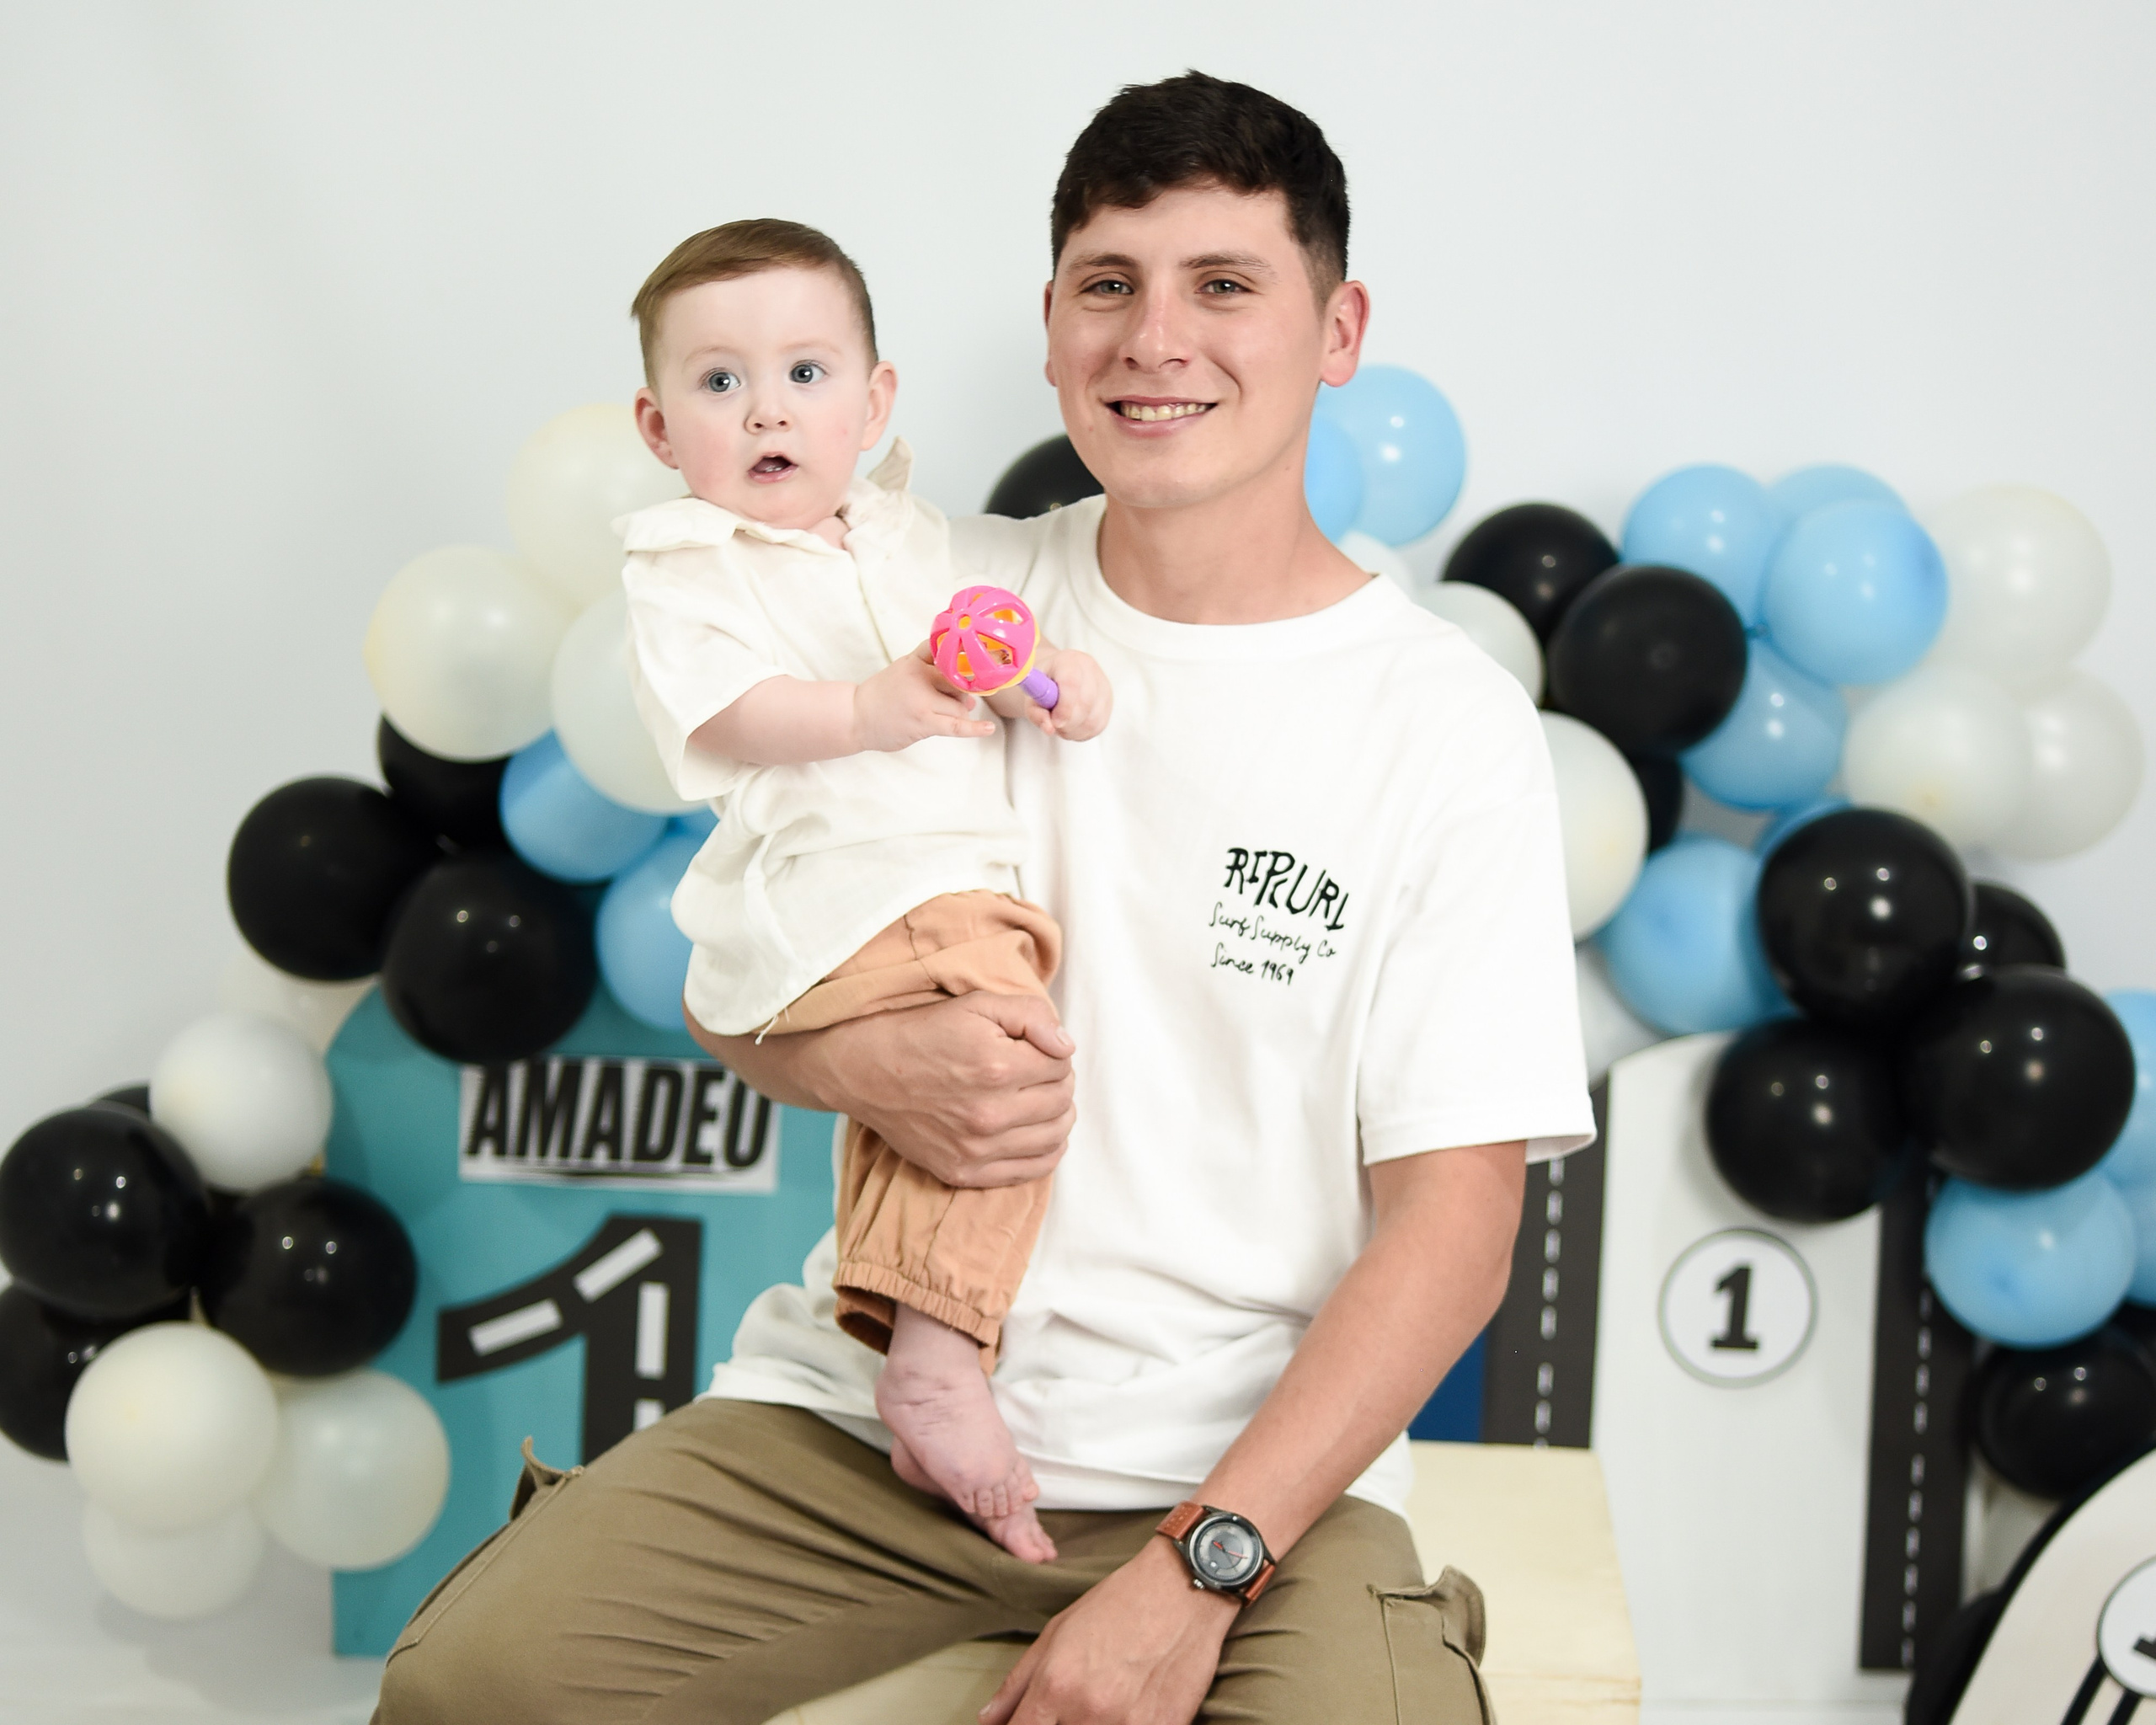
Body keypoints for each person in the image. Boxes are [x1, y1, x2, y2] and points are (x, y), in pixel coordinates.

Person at [374, 70, 1590, 1725]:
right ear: (1049, 326)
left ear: (1338, 324)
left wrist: (1198, 1565)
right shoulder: (912, 593)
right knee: (474, 1689)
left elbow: (1451, 1231)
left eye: (1222, 285)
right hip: (856, 1428)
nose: (1156, 339)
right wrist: (860, 1065)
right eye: (1109, 286)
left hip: (1229, 1481)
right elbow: (727, 969)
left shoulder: (1442, 725)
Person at [614, 217, 1112, 1564]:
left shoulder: (901, 533)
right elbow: (734, 715)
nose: (767, 406)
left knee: (928, 1107)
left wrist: (1036, 676)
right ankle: (944, 1349)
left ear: (875, 399)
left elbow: (968, 647)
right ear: (663, 429)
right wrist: (866, 707)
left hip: (917, 884)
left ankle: (905, 1336)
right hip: (846, 885)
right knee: (1015, 1047)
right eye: (720, 385)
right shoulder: (686, 568)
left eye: (806, 373)